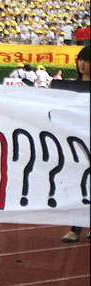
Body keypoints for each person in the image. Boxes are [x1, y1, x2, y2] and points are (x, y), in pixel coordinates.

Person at [53, 45, 90, 242]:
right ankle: (76, 226)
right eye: (80, 60)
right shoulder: (68, 87)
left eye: (87, 60)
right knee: (78, 183)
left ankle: (77, 229)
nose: (83, 64)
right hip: (75, 143)